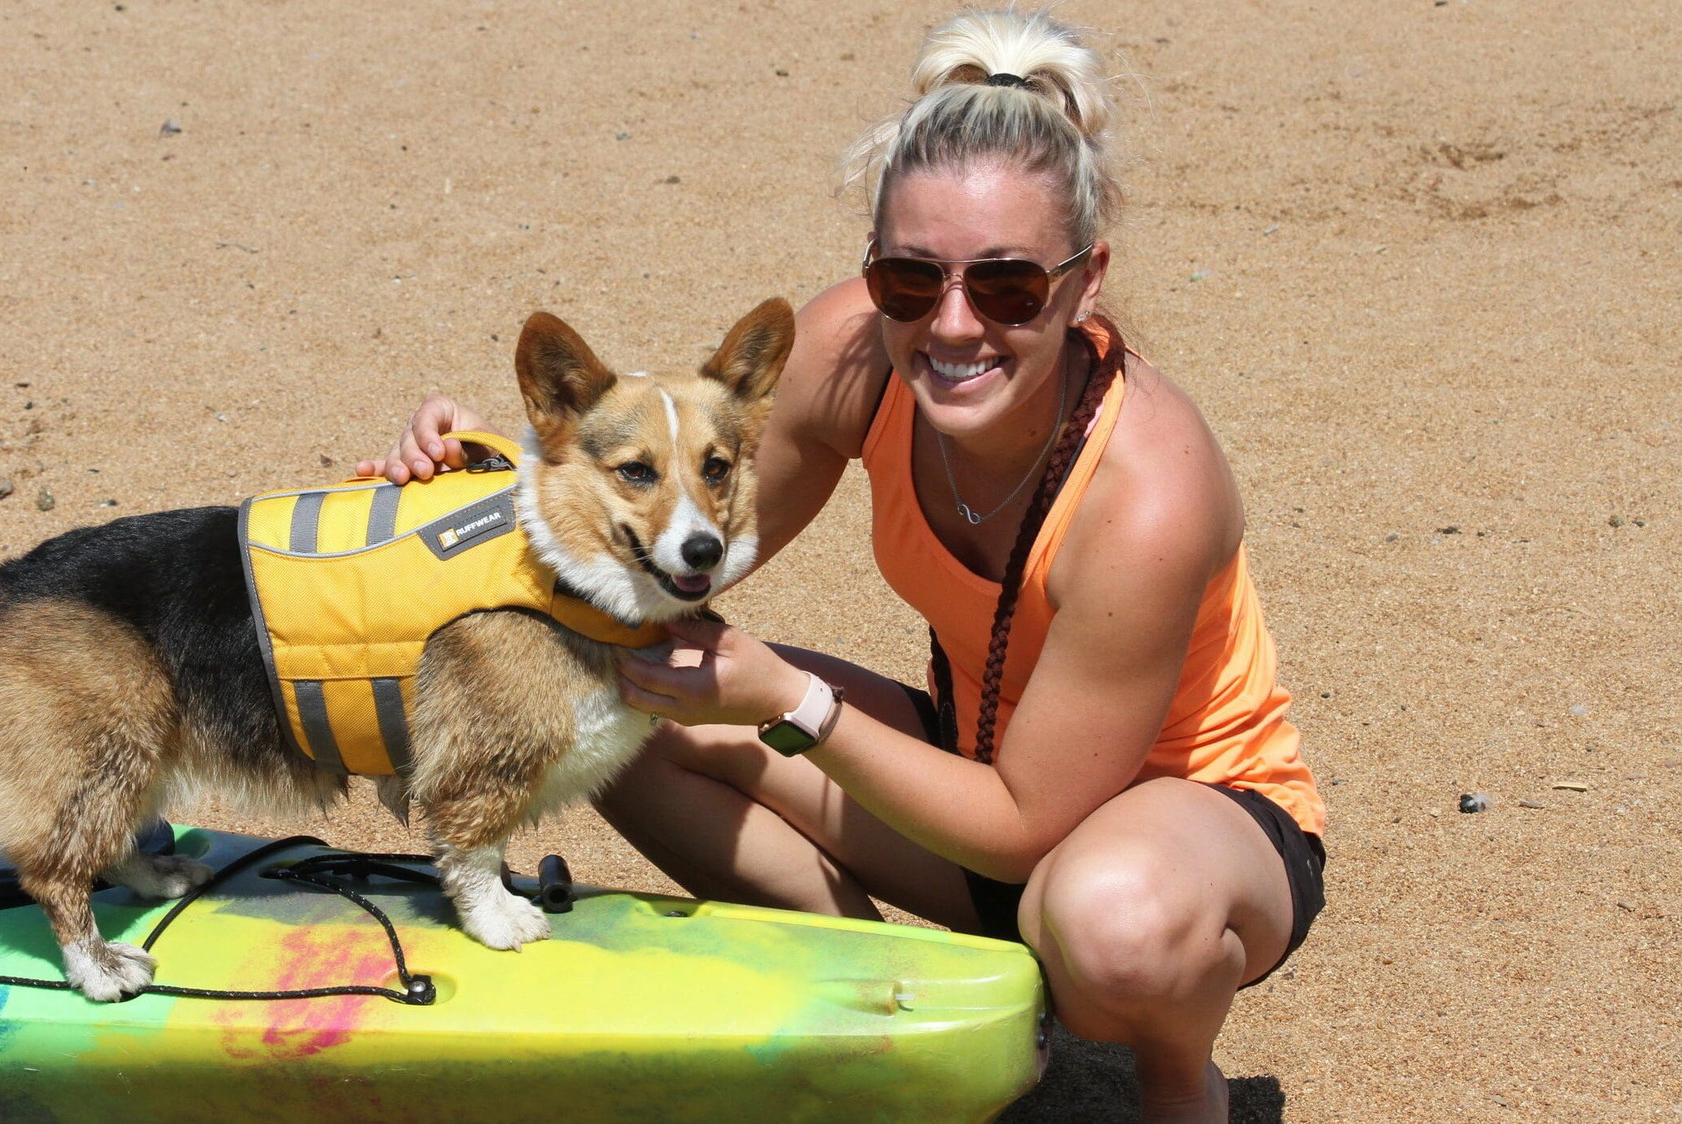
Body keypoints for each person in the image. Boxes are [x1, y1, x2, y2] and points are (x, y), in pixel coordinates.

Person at [357, 7, 1324, 1121]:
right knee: (635, 698)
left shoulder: (1150, 489)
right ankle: (902, 1023)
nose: (952, 326)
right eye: (911, 281)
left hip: (1182, 828)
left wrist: (790, 701)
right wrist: (494, 475)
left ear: (1082, 280)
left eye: (1005, 286)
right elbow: (665, 524)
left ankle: (1171, 1077)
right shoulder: (854, 356)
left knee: (1107, 925)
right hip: (978, 775)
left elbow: (1022, 820)